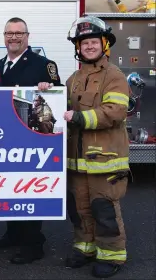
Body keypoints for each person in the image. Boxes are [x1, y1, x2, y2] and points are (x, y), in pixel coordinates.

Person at [39, 16, 130, 278]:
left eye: (93, 42)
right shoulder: (74, 78)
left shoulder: (114, 76)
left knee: (104, 208)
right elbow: (59, 107)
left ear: (104, 44)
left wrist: (80, 118)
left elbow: (115, 111)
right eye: (84, 43)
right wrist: (46, 91)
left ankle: (112, 255)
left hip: (105, 159)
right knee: (80, 209)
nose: (89, 46)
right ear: (78, 48)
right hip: (77, 161)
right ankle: (85, 248)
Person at [0, 17, 62, 264]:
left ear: (27, 36)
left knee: (31, 188)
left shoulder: (44, 65)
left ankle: (34, 243)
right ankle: (13, 234)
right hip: (5, 139)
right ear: (4, 36)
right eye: (9, 33)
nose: (13, 37)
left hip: (32, 138)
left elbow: (56, 96)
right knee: (11, 187)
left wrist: (49, 87)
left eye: (18, 33)